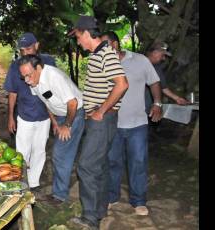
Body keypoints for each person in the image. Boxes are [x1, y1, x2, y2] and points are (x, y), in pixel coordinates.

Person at [68, 16, 129, 229]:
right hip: (102, 121)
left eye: (77, 36)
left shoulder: (105, 53)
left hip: (101, 122)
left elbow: (122, 84)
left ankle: (90, 218)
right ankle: (99, 210)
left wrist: (101, 110)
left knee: (86, 166)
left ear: (86, 33)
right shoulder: (99, 54)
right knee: (99, 167)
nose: (77, 42)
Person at [101, 31, 162, 216]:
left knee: (138, 162)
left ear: (115, 44)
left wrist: (157, 103)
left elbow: (154, 82)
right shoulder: (101, 64)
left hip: (137, 124)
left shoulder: (140, 60)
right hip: (112, 123)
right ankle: (112, 197)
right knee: (112, 162)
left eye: (105, 45)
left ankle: (139, 201)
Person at [17, 54, 85, 205]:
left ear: (39, 68)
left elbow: (72, 103)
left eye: (28, 75)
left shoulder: (54, 77)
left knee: (60, 154)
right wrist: (55, 122)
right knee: (61, 154)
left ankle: (59, 196)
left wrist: (66, 125)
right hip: (60, 116)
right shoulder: (34, 83)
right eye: (23, 77)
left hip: (74, 114)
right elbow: (46, 102)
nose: (27, 80)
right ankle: (59, 192)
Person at [3, 32, 56, 190]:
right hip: (25, 116)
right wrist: (10, 117)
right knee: (22, 152)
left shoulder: (49, 61)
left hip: (45, 116)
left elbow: (55, 87)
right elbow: (12, 93)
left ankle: (33, 183)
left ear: (37, 46)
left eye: (29, 48)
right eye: (22, 50)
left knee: (39, 150)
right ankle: (20, 181)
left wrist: (55, 117)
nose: (25, 53)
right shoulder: (15, 66)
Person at [145, 41, 188, 113]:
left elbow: (163, 87)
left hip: (149, 105)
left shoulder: (157, 67)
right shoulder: (138, 62)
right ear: (155, 52)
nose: (164, 59)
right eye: (162, 55)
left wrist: (177, 98)